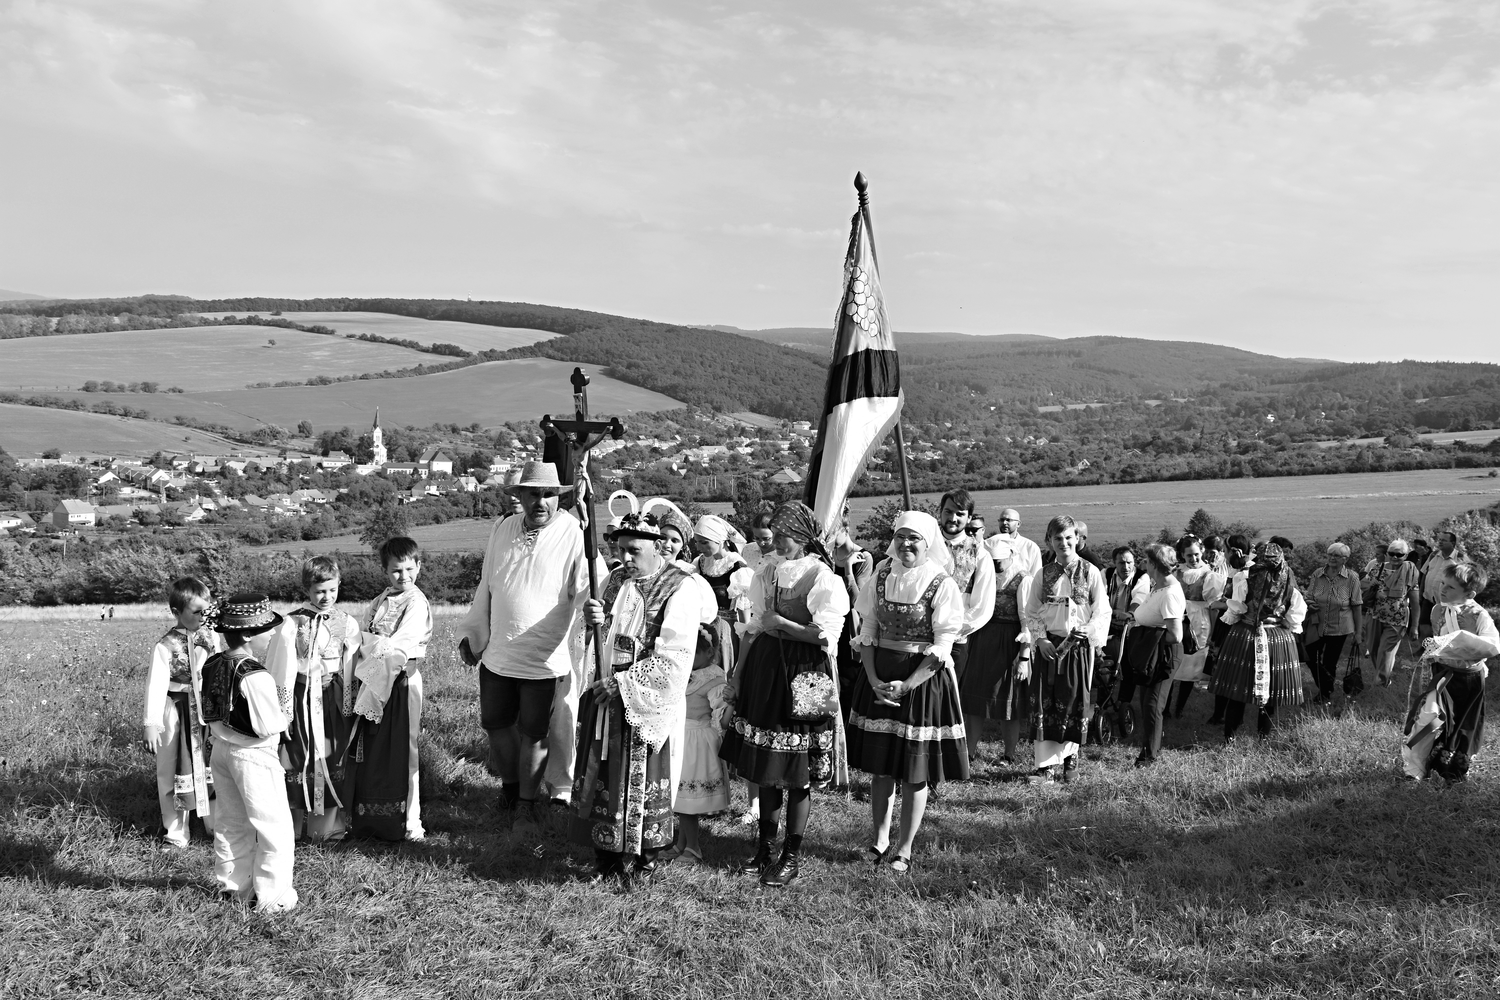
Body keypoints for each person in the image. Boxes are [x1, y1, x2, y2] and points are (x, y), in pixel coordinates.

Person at [719, 501, 850, 887]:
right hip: (766, 670)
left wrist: (783, 623)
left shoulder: (822, 576)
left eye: (785, 535)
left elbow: (826, 636)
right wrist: (738, 677)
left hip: (805, 672)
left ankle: (790, 857)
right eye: (775, 534)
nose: (777, 541)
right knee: (767, 764)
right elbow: (755, 627)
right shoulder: (768, 571)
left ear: (804, 537)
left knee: (798, 770)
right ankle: (764, 849)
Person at [457, 461, 593, 829]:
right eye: (534, 494)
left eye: (549, 494)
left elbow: (585, 586)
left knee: (535, 732)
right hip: (499, 652)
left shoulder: (572, 532)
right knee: (495, 723)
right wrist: (473, 634)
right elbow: (487, 583)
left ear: (558, 497)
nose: (541, 502)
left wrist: (593, 607)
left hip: (543, 656)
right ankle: (511, 789)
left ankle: (527, 804)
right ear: (520, 495)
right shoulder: (503, 528)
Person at [573, 512, 701, 883]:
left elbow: (676, 653)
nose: (625, 558)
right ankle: (607, 856)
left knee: (642, 777)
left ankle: (643, 858)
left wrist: (627, 683)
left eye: (634, 551)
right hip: (605, 692)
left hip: (645, 698)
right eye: (621, 549)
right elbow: (596, 637)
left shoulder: (679, 586)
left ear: (658, 546)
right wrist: (590, 621)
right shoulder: (614, 580)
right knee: (606, 772)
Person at [847, 511, 969, 872]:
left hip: (922, 680)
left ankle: (905, 848)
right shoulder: (882, 575)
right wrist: (872, 679)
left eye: (914, 538)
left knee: (914, 771)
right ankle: (880, 840)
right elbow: (868, 628)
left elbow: (943, 645)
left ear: (928, 543)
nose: (905, 544)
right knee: (881, 768)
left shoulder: (941, 583)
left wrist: (908, 685)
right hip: (881, 675)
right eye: (900, 536)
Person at [199, 594, 296, 912]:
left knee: (231, 822)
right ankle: (273, 899)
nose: (272, 633)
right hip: (253, 756)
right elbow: (269, 725)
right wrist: (286, 716)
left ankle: (234, 887)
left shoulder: (212, 663)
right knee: (273, 827)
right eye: (266, 628)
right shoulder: (255, 674)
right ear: (247, 634)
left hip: (221, 752)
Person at [348, 536, 433, 841]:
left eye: (409, 569)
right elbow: (364, 634)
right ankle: (373, 815)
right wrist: (370, 644)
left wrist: (372, 645)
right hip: (376, 678)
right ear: (385, 570)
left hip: (402, 681)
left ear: (419, 566)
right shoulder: (381, 599)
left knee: (405, 749)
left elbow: (398, 646)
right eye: (396, 570)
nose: (403, 576)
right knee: (375, 747)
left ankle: (410, 822)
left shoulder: (416, 603)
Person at [270, 556, 360, 842]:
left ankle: (326, 828)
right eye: (320, 591)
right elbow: (281, 667)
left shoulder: (346, 622)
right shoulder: (292, 622)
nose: (326, 597)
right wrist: (284, 712)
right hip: (301, 697)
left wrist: (349, 703)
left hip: (332, 696)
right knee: (296, 755)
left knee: (331, 754)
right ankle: (291, 827)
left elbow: (351, 664)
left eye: (332, 590)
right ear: (306, 589)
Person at [1021, 515, 1109, 782]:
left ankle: (1071, 760)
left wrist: (1090, 629)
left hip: (1078, 649)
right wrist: (1040, 639)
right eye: (1057, 538)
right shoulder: (1042, 573)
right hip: (1049, 648)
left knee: (1072, 702)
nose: (1064, 542)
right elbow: (1031, 611)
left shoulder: (1090, 571)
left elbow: (1102, 610)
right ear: (1049, 541)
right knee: (1045, 704)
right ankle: (1045, 769)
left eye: (1069, 537)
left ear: (1077, 539)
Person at [1402, 562, 1499, 782]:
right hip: (1442, 676)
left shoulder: (1479, 615)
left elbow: (1492, 645)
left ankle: (1455, 768)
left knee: (1464, 726)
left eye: (1451, 587)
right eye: (1443, 584)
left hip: (1469, 680)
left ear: (1470, 594)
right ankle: (1414, 770)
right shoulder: (1438, 609)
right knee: (1428, 717)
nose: (1442, 589)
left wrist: (1460, 641)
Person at [142, 576, 218, 848]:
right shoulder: (165, 646)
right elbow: (155, 685)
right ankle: (176, 832)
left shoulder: (212, 637)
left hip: (207, 710)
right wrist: (151, 723)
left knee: (212, 765)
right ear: (177, 612)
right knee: (172, 768)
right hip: (175, 710)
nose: (203, 617)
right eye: (196, 612)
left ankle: (215, 824)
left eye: (206, 610)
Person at [1209, 542, 1307, 741]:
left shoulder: (1244, 577)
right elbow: (1294, 614)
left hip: (1246, 634)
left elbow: (1237, 609)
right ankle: (1263, 737)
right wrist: (1281, 621)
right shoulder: (1289, 578)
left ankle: (1230, 737)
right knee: (1271, 691)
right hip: (1277, 637)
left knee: (1237, 688)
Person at [670, 620, 734, 863]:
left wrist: (732, 703)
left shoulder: (714, 681)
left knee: (688, 800)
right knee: (680, 798)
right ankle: (681, 844)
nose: (688, 658)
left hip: (696, 743)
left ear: (709, 653)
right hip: (681, 738)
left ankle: (693, 848)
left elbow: (722, 718)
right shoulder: (688, 674)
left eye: (693, 653)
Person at [1118, 544, 1184, 767]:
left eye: (1146, 561)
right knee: (1146, 703)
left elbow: (1175, 635)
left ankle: (1149, 757)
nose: (1143, 564)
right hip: (1152, 652)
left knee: (1153, 705)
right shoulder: (1158, 586)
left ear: (1155, 564)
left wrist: (1147, 639)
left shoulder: (1170, 593)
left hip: (1163, 655)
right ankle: (1148, 748)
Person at [938, 490, 996, 691]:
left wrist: (953, 630)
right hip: (919, 636)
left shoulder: (979, 554)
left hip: (955, 639)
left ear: (969, 517)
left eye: (960, 513)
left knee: (949, 694)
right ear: (940, 512)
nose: (953, 518)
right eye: (948, 511)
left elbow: (983, 606)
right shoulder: (926, 546)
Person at [1167, 535, 1223, 719]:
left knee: (1191, 667)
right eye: (1189, 555)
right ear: (1182, 555)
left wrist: (1214, 633)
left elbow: (1213, 606)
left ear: (1202, 552)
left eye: (1196, 554)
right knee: (1172, 662)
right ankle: (1165, 707)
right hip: (1178, 618)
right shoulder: (1176, 573)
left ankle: (1179, 708)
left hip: (1200, 621)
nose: (1194, 558)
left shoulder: (1209, 575)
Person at [1303, 543, 1363, 704]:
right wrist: (1310, 603)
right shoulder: (1318, 574)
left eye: (1336, 555)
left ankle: (1324, 695)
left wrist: (1358, 633)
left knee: (1330, 662)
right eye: (1330, 554)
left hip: (1339, 627)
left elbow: (1357, 605)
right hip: (1317, 624)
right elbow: (1309, 596)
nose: (1332, 558)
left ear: (1345, 559)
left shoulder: (1352, 578)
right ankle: (1326, 686)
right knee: (1310, 656)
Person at [1363, 538, 1421, 686]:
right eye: (1391, 553)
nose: (1395, 557)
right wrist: (1373, 591)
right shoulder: (1377, 568)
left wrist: (1414, 626)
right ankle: (1383, 677)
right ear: (1387, 554)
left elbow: (1415, 602)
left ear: (1405, 555)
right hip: (1374, 615)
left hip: (1397, 619)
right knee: (1373, 649)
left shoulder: (1409, 572)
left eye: (1399, 554)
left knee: (1385, 651)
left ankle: (1381, 684)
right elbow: (1364, 586)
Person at [692, 514, 754, 638]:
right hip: (702, 630)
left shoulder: (737, 568)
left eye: (704, 542)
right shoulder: (700, 563)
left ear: (720, 541)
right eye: (697, 542)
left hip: (726, 633)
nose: (698, 547)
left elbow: (744, 620)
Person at [1419, 531, 1463, 639]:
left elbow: (1465, 581)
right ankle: (1425, 646)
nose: (1440, 542)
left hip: (1446, 603)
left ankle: (1438, 647)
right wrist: (1420, 592)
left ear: (1453, 543)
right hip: (1428, 599)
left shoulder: (1460, 558)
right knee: (1424, 627)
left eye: (1444, 540)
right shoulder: (1433, 555)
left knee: (1442, 630)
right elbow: (1425, 573)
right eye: (1440, 540)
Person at [988, 508, 1042, 579]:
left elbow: (1036, 577)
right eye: (1002, 520)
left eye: (1008, 520)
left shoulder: (1031, 547)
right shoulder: (992, 545)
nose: (1004, 523)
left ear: (1018, 524)